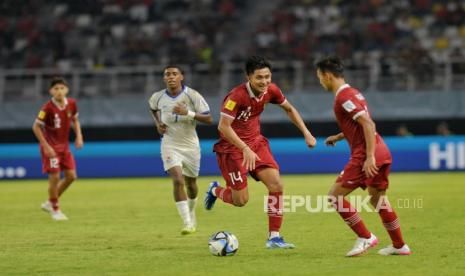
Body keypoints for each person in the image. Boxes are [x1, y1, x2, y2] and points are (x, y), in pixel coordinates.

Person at [204, 56, 316, 249]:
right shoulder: (235, 97)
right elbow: (223, 127)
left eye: (267, 76)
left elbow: (289, 109)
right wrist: (244, 148)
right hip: (232, 150)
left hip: (256, 144)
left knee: (276, 185)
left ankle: (274, 238)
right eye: (259, 78)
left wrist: (306, 133)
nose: (264, 82)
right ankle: (215, 190)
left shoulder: (271, 90)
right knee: (241, 201)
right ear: (248, 77)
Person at [315, 56, 411, 256]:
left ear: (327, 75)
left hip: (366, 153)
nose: (320, 82)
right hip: (381, 149)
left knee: (335, 197)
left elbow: (368, 124)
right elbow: (361, 123)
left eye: (320, 77)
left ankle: (366, 237)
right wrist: (341, 136)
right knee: (378, 201)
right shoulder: (354, 93)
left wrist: (369, 157)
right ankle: (400, 245)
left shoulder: (343, 97)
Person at [149, 65, 212, 235]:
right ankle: (187, 222)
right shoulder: (157, 97)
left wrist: (188, 113)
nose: (170, 77)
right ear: (164, 79)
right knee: (178, 180)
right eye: (167, 74)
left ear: (181, 77)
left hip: (190, 146)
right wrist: (158, 124)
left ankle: (191, 211)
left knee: (191, 184)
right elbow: (153, 108)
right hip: (170, 144)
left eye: (174, 74)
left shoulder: (193, 95)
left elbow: (209, 118)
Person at [32, 76, 84, 221]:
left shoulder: (72, 104)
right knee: (54, 177)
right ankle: (55, 210)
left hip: (65, 148)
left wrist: (79, 136)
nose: (59, 91)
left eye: (62, 88)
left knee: (71, 176)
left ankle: (50, 202)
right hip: (51, 148)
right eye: (56, 89)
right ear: (51, 91)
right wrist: (46, 146)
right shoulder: (47, 108)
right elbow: (35, 127)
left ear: (67, 90)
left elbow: (75, 120)